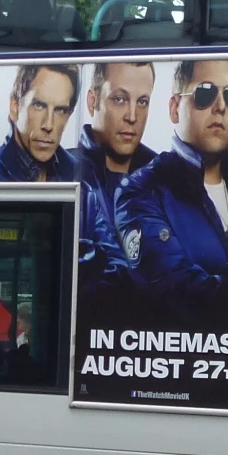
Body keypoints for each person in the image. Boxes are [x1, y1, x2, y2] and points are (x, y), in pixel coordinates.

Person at [113, 58, 228, 320]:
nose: (221, 106)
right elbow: (176, 290)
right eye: (205, 93)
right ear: (175, 108)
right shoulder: (141, 191)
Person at [74, 61, 157, 300]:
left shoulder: (163, 179)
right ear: (92, 101)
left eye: (142, 102)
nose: (132, 116)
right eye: (119, 99)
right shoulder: (65, 171)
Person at [0, 63, 80, 182]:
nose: (48, 125)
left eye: (60, 110)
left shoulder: (76, 171)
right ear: (15, 107)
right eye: (39, 106)